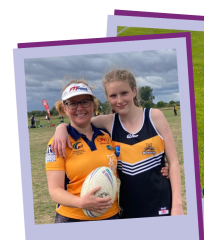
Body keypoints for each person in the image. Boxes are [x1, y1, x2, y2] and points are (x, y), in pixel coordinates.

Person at [52, 70, 183, 218]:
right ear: (108, 98)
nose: (119, 100)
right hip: (128, 206)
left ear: (134, 91)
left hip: (161, 201)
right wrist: (61, 128)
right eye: (113, 96)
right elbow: (79, 123)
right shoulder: (108, 122)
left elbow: (174, 163)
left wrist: (177, 205)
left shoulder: (154, 116)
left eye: (124, 93)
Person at [46, 80, 119, 223]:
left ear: (93, 105)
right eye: (72, 103)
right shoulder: (57, 143)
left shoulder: (108, 136)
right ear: (65, 109)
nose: (79, 108)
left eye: (85, 102)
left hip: (111, 215)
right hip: (73, 218)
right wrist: (82, 203)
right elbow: (54, 191)